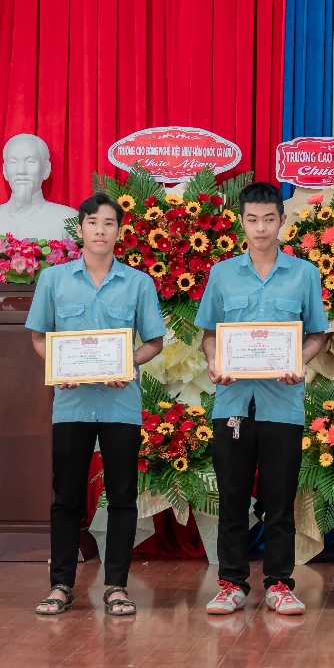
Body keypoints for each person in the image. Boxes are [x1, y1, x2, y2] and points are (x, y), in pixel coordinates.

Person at [26, 193, 165, 616]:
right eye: (92, 222)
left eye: (108, 223)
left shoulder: (138, 282)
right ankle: (61, 585)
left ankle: (117, 586)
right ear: (81, 228)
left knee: (122, 496)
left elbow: (154, 342)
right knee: (66, 497)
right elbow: (38, 337)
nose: (100, 230)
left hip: (121, 403)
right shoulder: (54, 279)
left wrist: (129, 362)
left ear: (119, 231)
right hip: (71, 404)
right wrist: (58, 366)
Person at [197, 182, 328, 616]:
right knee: (233, 497)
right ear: (241, 222)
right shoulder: (222, 274)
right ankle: (231, 583)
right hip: (233, 402)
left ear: (282, 221)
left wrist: (300, 360)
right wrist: (214, 361)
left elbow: (317, 334)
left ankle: (279, 584)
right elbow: (210, 333)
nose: (260, 228)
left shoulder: (304, 274)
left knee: (279, 499)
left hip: (283, 403)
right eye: (252, 219)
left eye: (269, 219)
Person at [0, 133, 76, 239]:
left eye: (30, 161)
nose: (21, 171)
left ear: (46, 169)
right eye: (13, 162)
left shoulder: (68, 219)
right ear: (4, 170)